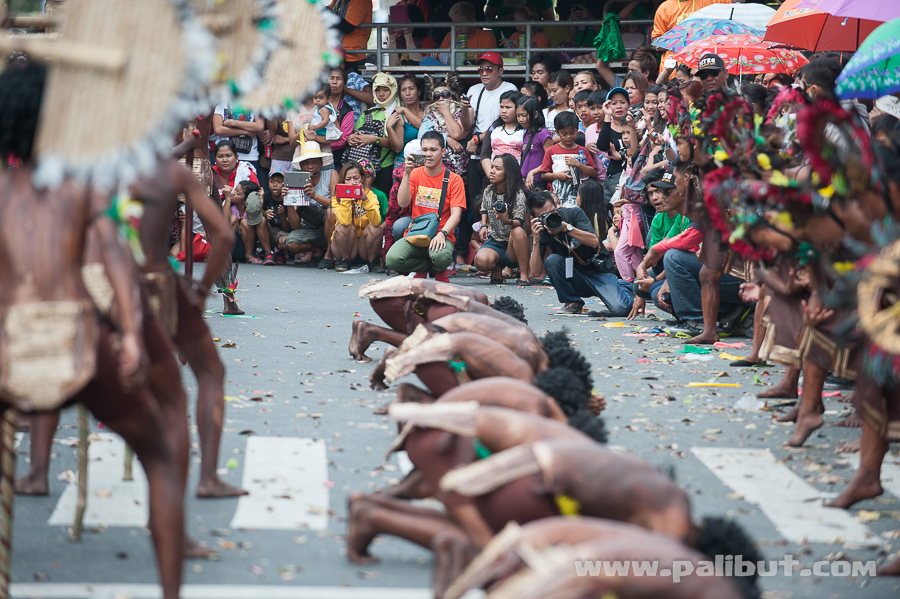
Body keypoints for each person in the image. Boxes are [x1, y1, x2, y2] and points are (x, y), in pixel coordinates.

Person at [0, 61, 186, 598]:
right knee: (160, 458)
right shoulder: (80, 188)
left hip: (9, 344)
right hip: (79, 340)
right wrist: (130, 334)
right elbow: (116, 259)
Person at [527, 190, 633, 316]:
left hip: (599, 272)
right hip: (576, 276)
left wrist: (567, 228)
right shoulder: (540, 231)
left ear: (555, 205)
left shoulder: (574, 214)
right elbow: (535, 273)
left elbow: (594, 241)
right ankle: (573, 302)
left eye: (552, 212)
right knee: (552, 260)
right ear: (535, 219)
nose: (550, 218)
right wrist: (536, 241)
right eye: (544, 216)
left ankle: (621, 285)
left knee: (621, 309)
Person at [460, 52, 518, 268]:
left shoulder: (509, 89)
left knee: (498, 204)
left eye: (489, 69)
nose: (484, 73)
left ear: (500, 70)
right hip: (477, 156)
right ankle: (479, 249)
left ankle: (502, 254)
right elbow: (468, 125)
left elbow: (502, 122)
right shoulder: (475, 90)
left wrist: (477, 138)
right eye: (481, 69)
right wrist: (465, 109)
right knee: (477, 203)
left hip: (497, 157)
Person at [385, 131, 466, 281]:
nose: (428, 154)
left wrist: (443, 234)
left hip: (441, 234)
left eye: (433, 150)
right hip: (417, 233)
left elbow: (456, 215)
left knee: (441, 257)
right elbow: (402, 203)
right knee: (392, 259)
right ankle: (422, 268)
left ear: (443, 151)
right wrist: (406, 174)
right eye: (424, 150)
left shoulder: (454, 179)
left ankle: (439, 270)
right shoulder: (415, 174)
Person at [474, 154, 530, 285]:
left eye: (497, 168)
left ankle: (524, 275)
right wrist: (483, 226)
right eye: (492, 167)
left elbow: (519, 222)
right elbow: (484, 208)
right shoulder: (489, 190)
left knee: (518, 231)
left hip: (513, 245)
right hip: (495, 240)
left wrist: (506, 220)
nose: (492, 171)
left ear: (508, 173)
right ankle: (496, 269)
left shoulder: (518, 194)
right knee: (480, 261)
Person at [346, 72, 399, 198]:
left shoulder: (397, 113)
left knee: (381, 200)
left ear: (393, 90)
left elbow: (395, 144)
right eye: (377, 90)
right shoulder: (368, 113)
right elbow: (355, 133)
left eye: (385, 90)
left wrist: (373, 139)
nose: (381, 94)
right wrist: (350, 138)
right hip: (364, 167)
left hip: (384, 166)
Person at [330, 161, 384, 272]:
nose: (352, 183)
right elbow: (345, 222)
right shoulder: (336, 198)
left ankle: (372, 261)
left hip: (365, 247)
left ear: (362, 178)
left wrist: (365, 200)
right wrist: (346, 197)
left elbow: (376, 222)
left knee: (376, 228)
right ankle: (345, 260)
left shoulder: (371, 195)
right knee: (343, 226)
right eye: (348, 179)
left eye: (356, 178)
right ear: (343, 181)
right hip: (344, 247)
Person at [540, 112, 597, 208]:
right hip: (557, 199)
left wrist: (578, 164)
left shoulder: (583, 151)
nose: (569, 137)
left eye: (572, 133)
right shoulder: (551, 151)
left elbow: (594, 173)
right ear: (557, 132)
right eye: (564, 134)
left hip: (579, 200)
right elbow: (544, 175)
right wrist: (558, 175)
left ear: (577, 130)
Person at [596, 87, 638, 205]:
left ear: (629, 105)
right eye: (614, 104)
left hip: (635, 176)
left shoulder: (636, 125)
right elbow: (602, 146)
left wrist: (621, 156)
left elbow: (639, 151)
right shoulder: (607, 127)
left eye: (622, 102)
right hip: (615, 177)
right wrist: (607, 116)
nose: (619, 106)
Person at [517, 95, 554, 192]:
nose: (520, 119)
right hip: (525, 182)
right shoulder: (526, 133)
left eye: (524, 115)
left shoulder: (543, 133)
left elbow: (550, 160)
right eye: (518, 116)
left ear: (535, 114)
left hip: (538, 182)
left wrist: (532, 172)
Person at [651, 0, 731, 41]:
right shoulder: (665, 8)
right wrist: (679, 39)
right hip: (674, 62)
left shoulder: (713, 1)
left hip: (705, 60)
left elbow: (734, 5)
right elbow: (656, 42)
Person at [330, 0, 373, 72]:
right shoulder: (338, 1)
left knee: (350, 78)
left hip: (351, 56)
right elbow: (329, 8)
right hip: (338, 52)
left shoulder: (359, 1)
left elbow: (348, 26)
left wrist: (327, 17)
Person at [543, 71, 573, 135]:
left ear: (567, 88)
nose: (551, 95)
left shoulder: (574, 112)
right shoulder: (545, 113)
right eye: (550, 91)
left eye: (554, 91)